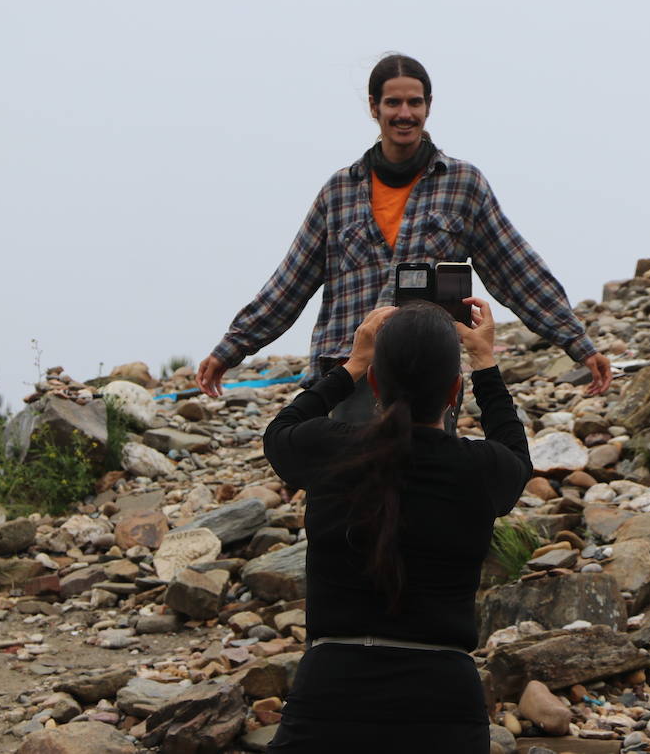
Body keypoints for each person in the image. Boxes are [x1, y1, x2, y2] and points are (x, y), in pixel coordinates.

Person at [196, 53, 611, 414]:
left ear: (429, 107)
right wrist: (231, 348)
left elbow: (517, 271)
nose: (404, 113)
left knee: (422, 494)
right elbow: (289, 284)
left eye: (415, 102)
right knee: (351, 494)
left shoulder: (463, 184)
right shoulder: (339, 192)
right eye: (393, 102)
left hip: (427, 373)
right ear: (374, 107)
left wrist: (578, 343)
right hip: (348, 372)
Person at [262, 297, 529, 752]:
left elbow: (281, 429)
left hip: (331, 692)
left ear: (374, 383)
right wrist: (485, 362)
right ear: (452, 392)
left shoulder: (329, 447)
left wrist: (352, 363)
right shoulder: (479, 469)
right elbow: (516, 453)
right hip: (443, 702)